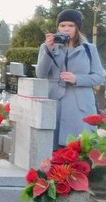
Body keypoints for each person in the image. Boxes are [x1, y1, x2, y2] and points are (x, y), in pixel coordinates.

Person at [36, 9, 104, 148]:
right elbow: (41, 74)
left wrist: (77, 79)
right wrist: (49, 50)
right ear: (58, 28)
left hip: (80, 107)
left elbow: (99, 77)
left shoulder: (89, 49)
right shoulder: (47, 47)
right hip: (55, 105)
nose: (66, 29)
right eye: (62, 25)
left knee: (79, 149)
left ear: (77, 28)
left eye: (71, 25)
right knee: (52, 150)